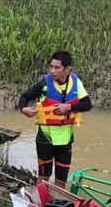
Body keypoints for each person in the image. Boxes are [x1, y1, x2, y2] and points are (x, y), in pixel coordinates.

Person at [18, 50, 91, 184]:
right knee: (44, 178)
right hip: (45, 139)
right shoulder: (44, 84)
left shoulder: (75, 82)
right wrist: (23, 109)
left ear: (66, 69)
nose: (52, 71)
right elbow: (25, 97)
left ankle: (56, 203)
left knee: (61, 180)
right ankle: (40, 202)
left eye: (57, 68)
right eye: (51, 67)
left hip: (65, 140)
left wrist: (69, 107)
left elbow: (87, 104)